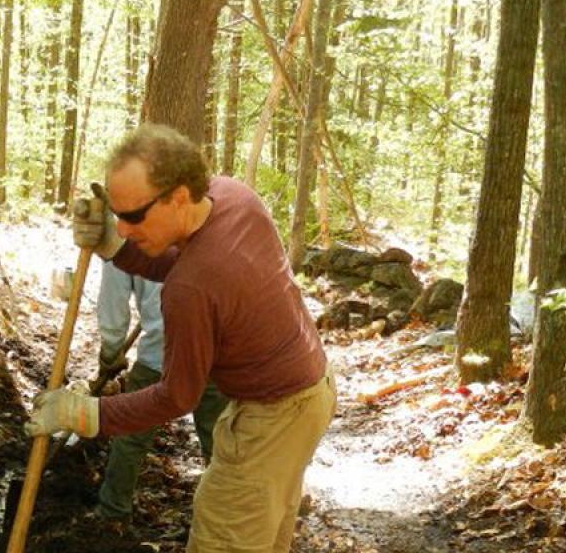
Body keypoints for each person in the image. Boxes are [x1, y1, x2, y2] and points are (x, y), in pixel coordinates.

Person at [25, 123, 336, 552]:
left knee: (223, 538)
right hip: (309, 393)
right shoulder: (233, 197)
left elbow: (177, 396)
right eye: (117, 215)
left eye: (133, 216)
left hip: (273, 419)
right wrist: (114, 247)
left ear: (179, 197)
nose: (125, 226)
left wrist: (82, 414)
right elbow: (190, 262)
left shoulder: (189, 291)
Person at [95, 261, 226, 520]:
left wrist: (110, 353)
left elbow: (113, 307)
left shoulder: (120, 234)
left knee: (130, 434)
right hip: (213, 351)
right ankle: (221, 516)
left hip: (160, 354)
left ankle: (112, 513)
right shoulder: (202, 222)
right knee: (219, 440)